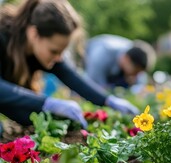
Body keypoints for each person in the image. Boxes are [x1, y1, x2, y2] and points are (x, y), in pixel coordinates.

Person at [0, 0, 139, 129]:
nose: (59, 58)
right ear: (34, 34)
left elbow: (72, 77)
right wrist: (47, 103)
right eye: (54, 51)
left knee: (37, 118)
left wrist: (108, 100)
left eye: (61, 52)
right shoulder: (2, 37)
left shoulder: (40, 48)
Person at [85, 34, 156, 93]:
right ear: (127, 59)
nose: (136, 76)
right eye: (135, 72)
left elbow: (139, 85)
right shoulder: (102, 55)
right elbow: (94, 86)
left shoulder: (137, 56)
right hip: (87, 62)